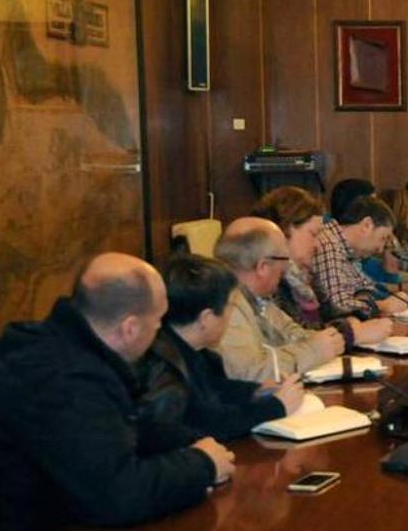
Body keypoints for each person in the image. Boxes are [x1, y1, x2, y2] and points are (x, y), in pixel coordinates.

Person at [0, 253, 233, 527]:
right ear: (130, 328)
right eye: (158, 322)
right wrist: (202, 465)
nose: (159, 330)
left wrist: (191, 443)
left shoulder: (65, 343)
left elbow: (119, 429)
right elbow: (117, 496)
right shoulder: (66, 378)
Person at [137, 254, 305, 441]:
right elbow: (208, 424)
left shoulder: (191, 350)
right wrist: (276, 406)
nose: (230, 316)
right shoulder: (164, 370)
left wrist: (256, 391)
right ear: (206, 319)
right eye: (229, 308)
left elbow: (214, 387)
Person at [251, 186, 393, 346]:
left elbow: (332, 314)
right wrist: (352, 334)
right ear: (284, 230)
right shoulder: (268, 281)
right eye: (313, 234)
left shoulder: (305, 276)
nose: (318, 244)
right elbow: (293, 341)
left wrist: (350, 319)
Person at [214, 217, 345, 382]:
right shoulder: (225, 305)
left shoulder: (258, 298)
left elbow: (295, 334)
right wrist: (313, 351)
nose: (287, 267)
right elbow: (251, 373)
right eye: (284, 259)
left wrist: (327, 341)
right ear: (263, 267)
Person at [311, 195, 408, 320]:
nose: (381, 249)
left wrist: (364, 299)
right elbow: (338, 305)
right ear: (367, 225)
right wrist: (382, 306)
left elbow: (366, 287)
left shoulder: (350, 250)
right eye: (383, 238)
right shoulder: (329, 244)